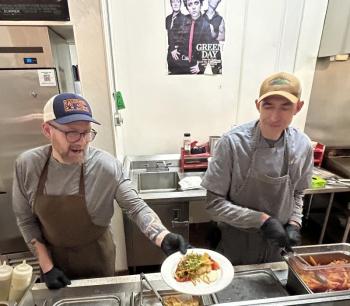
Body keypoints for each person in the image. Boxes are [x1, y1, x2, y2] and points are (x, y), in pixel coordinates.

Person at [12, 93, 189, 289]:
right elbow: (26, 220)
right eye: (72, 133)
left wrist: (162, 236)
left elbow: (135, 207)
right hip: (53, 257)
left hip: (97, 255)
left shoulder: (105, 166)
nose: (81, 141)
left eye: (87, 132)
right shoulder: (27, 166)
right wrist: (46, 267)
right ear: (47, 130)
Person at [201, 72, 314, 265]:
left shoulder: (303, 145)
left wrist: (294, 223)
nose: (274, 116)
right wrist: (261, 220)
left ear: (298, 107)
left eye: (285, 107)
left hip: (277, 247)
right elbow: (214, 205)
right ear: (257, 105)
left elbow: (298, 193)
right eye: (268, 105)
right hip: (235, 243)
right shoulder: (232, 144)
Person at [172, 0, 212, 74]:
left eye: (196, 3)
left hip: (194, 66)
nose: (193, 7)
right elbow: (171, 33)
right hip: (179, 64)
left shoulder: (206, 25)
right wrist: (172, 48)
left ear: (201, 4)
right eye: (190, 4)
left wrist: (201, 66)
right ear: (187, 7)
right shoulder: (182, 19)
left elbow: (208, 48)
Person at [165, 0, 187, 74]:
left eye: (177, 1)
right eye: (173, 2)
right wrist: (172, 48)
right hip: (170, 50)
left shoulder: (184, 18)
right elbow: (168, 34)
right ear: (171, 4)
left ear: (180, 3)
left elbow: (182, 37)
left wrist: (174, 48)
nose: (175, 4)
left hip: (179, 51)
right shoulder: (167, 18)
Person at [204, 0, 225, 74]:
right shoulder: (200, 16)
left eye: (217, 0)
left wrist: (213, 33)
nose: (215, 1)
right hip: (200, 50)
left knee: (217, 74)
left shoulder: (220, 18)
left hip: (214, 51)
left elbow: (222, 37)